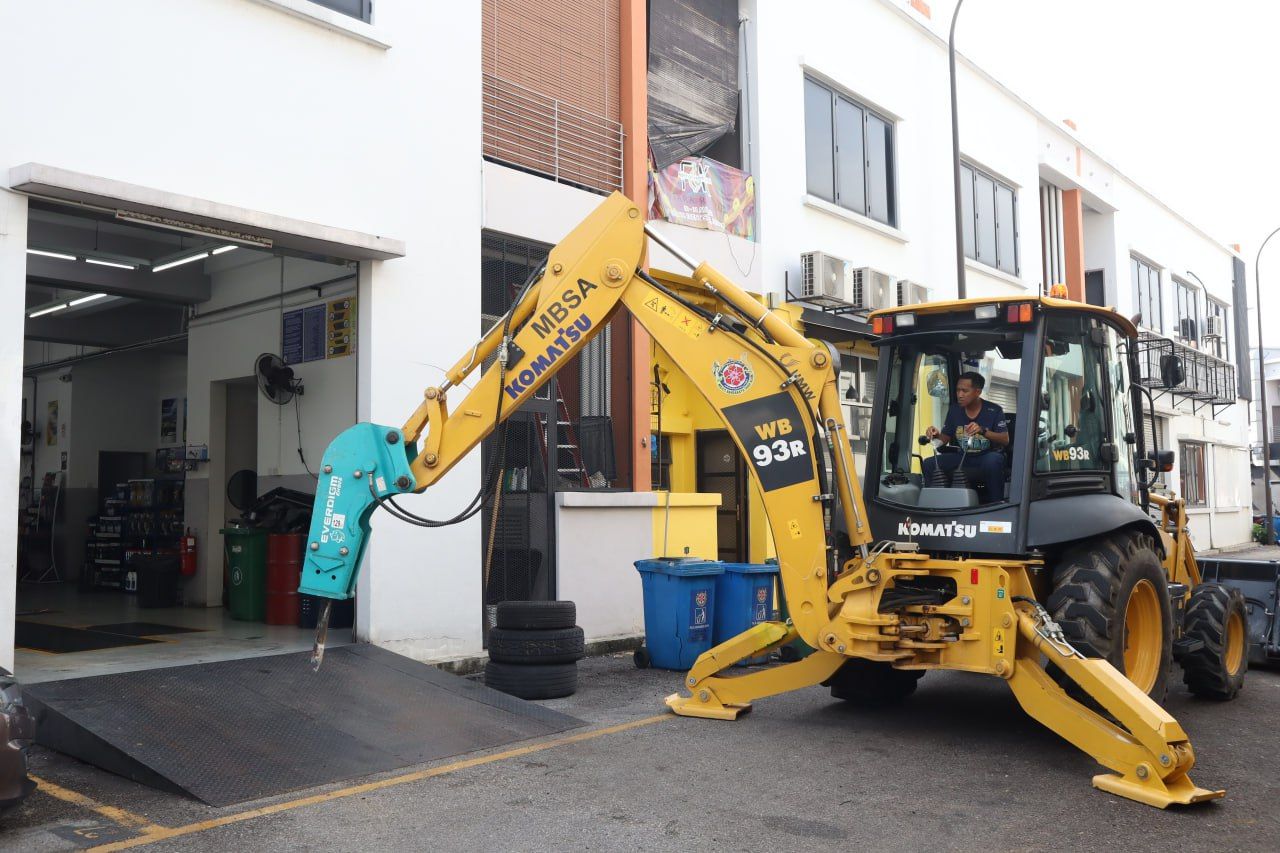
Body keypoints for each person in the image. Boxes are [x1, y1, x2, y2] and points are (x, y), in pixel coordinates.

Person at [923, 371, 1009, 501]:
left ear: (978, 392)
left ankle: (996, 503)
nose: (960, 395)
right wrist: (935, 435)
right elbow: (944, 439)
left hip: (986, 456)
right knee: (928, 463)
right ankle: (935, 503)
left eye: (965, 391)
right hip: (963, 456)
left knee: (993, 461)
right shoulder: (954, 410)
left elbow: (1005, 439)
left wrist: (982, 431)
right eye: (958, 390)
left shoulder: (994, 410)